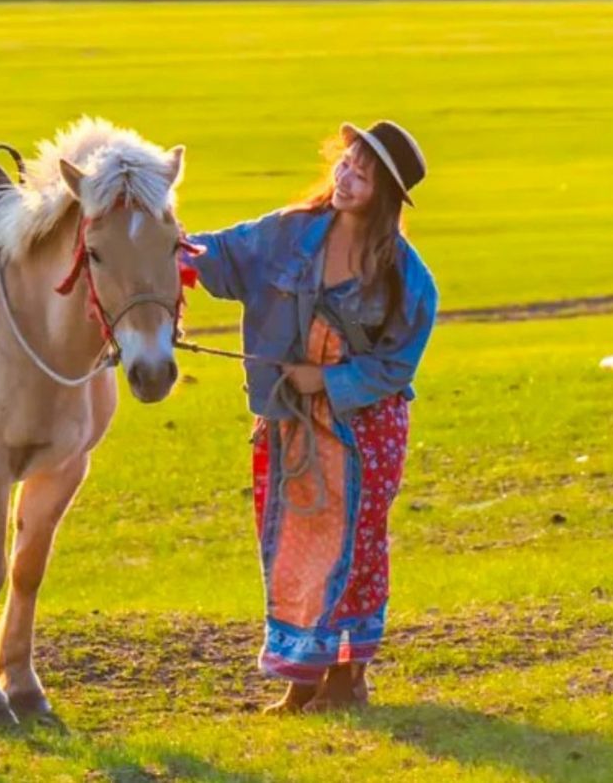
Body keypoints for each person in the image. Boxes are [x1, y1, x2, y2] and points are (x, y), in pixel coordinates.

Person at [184, 120, 438, 713]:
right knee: (294, 547)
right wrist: (159, 245)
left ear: (386, 196)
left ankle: (349, 679)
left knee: (356, 547)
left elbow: (397, 365)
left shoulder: (406, 277)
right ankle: (302, 681)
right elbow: (219, 256)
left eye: (364, 175)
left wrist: (326, 379)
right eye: (347, 164)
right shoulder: (287, 235)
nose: (348, 178)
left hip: (363, 431)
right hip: (291, 424)